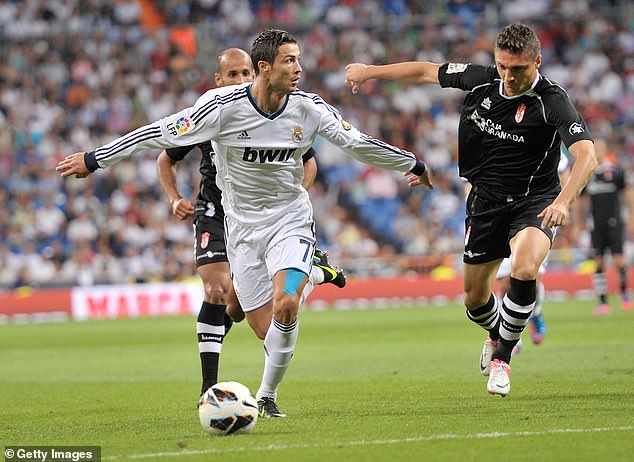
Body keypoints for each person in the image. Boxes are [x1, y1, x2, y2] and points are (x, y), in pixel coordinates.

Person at [56, 29, 432, 416]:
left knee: (286, 306)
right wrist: (95, 158)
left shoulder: (309, 108)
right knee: (263, 328)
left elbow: (359, 143)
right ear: (264, 67)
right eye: (290, 60)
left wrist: (413, 163)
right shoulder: (221, 108)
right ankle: (315, 275)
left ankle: (267, 397)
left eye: (299, 59)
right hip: (242, 230)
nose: (299, 68)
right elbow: (158, 134)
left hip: (290, 219)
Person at [346, 22, 597, 397]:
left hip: (535, 202)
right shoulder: (481, 80)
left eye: (519, 69)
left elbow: (587, 157)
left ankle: (503, 359)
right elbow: (426, 70)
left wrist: (563, 202)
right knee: (475, 300)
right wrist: (370, 72)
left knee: (525, 268)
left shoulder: (552, 100)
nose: (509, 76)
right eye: (503, 67)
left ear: (538, 62)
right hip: (484, 203)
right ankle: (498, 334)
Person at [156, 48, 346, 398]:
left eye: (246, 73)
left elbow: (309, 162)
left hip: (266, 220)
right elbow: (164, 159)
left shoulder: (274, 114)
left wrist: (288, 203)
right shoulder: (212, 114)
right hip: (216, 212)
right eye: (233, 75)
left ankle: (314, 272)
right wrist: (173, 198)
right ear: (218, 80)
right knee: (216, 291)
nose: (241, 80)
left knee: (238, 311)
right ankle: (208, 388)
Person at [496, 150, 572, 353]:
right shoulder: (500, 136)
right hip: (504, 216)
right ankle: (511, 334)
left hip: (537, 215)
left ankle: (535, 313)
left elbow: (565, 174)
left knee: (530, 277)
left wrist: (563, 204)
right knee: (504, 281)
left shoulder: (548, 143)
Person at [575, 138, 633, 315]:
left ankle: (624, 294)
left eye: (600, 148)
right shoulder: (589, 174)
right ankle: (602, 302)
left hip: (614, 223)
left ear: (606, 150)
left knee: (619, 261)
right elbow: (581, 202)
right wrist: (578, 223)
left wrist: (631, 216)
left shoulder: (615, 171)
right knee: (598, 262)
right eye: (595, 148)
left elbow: (627, 194)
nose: (598, 151)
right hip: (596, 225)